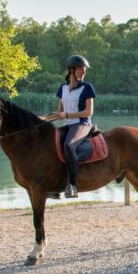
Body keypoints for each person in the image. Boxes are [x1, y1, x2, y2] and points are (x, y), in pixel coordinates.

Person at [54, 54, 96, 198]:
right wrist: (40, 119)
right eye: (81, 69)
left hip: (82, 124)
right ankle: (54, 186)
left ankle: (72, 185)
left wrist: (66, 116)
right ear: (72, 70)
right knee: (49, 144)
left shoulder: (87, 87)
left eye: (85, 69)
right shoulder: (63, 88)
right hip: (67, 125)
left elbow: (88, 112)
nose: (84, 72)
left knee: (69, 145)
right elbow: (59, 111)